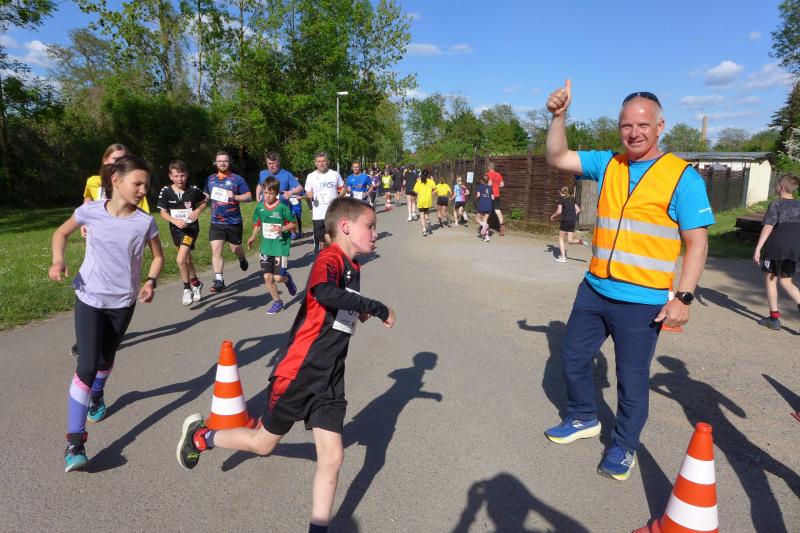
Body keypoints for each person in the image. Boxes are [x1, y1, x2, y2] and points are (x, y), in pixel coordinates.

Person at [177, 197, 395, 533]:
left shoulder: (353, 267)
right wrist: (376, 307)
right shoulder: (329, 257)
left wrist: (357, 310)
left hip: (330, 378)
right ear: (346, 226)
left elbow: (336, 305)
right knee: (263, 444)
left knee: (332, 458)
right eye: (370, 226)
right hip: (300, 372)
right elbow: (324, 291)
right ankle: (202, 437)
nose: (375, 233)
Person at [543, 81, 714, 480]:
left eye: (642, 125)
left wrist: (683, 297)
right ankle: (583, 417)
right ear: (618, 127)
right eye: (626, 125)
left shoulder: (683, 178)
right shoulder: (609, 164)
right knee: (572, 356)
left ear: (660, 127)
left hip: (642, 301)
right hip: (595, 288)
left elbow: (697, 242)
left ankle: (624, 445)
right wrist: (558, 117)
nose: (634, 133)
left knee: (631, 378)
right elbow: (557, 156)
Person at [50, 156, 164, 472]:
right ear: (116, 180)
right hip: (89, 297)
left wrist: (151, 282)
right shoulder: (90, 211)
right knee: (86, 365)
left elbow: (158, 257)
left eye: (146, 186)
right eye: (137, 184)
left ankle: (97, 394)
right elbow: (60, 234)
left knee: (105, 359)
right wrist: (58, 260)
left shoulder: (144, 222)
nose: (142, 191)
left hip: (123, 302)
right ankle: (75, 443)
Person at [753, 174, 800, 331]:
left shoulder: (776, 204)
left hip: (776, 248)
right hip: (793, 249)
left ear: (782, 187)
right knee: (786, 282)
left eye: (777, 184)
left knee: (771, 280)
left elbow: (768, 226)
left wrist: (758, 248)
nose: (776, 186)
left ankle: (774, 319)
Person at [157, 160, 207, 305]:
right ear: (170, 176)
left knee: (180, 260)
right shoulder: (166, 191)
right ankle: (196, 283)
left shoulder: (193, 190)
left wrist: (198, 210)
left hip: (191, 230)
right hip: (176, 230)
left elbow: (205, 201)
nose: (180, 179)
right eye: (176, 176)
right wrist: (174, 221)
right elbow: (162, 212)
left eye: (183, 175)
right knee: (187, 259)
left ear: (187, 175)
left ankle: (187, 289)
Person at [247, 177, 298, 315]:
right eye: (265, 193)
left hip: (280, 247)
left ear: (277, 193)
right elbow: (258, 224)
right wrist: (252, 237)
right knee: (267, 277)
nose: (268, 196)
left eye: (271, 193)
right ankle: (277, 302)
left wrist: (282, 228)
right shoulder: (260, 207)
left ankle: (287, 279)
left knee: (278, 278)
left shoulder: (282, 207)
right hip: (266, 247)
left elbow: (293, 224)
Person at [204, 151, 252, 293]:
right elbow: (206, 195)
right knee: (216, 249)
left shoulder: (237, 179)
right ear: (215, 163)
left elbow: (249, 197)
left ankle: (242, 259)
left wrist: (235, 196)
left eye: (225, 161)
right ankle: (219, 280)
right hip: (216, 222)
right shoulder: (210, 179)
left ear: (229, 162)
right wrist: (200, 199)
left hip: (233, 222)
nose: (223, 163)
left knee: (235, 249)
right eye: (220, 161)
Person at [305, 151, 344, 253]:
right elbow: (307, 194)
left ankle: (332, 256)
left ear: (328, 162)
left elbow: (343, 189)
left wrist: (337, 198)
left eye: (323, 161)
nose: (321, 164)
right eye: (319, 161)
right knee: (321, 240)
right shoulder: (310, 176)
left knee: (330, 237)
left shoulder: (334, 174)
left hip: (332, 212)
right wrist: (309, 196)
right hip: (318, 213)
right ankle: (324, 257)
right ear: (315, 163)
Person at [550, 185, 590, 263]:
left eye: (559, 192)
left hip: (566, 220)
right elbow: (578, 209)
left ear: (561, 192)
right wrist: (572, 216)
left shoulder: (561, 199)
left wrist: (553, 216)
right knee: (570, 240)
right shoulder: (572, 199)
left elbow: (559, 211)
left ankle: (563, 258)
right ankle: (581, 242)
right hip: (572, 220)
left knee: (560, 238)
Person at [413, 169, 437, 236]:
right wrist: (432, 193)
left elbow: (415, 191)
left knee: (421, 215)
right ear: (428, 175)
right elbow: (435, 188)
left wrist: (415, 198)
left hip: (421, 200)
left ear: (421, 174)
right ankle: (428, 221)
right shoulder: (431, 182)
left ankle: (424, 229)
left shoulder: (418, 182)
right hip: (428, 200)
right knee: (426, 212)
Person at [486, 161, 505, 236]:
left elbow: (489, 183)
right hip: (497, 195)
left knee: (486, 210)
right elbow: (502, 184)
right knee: (497, 210)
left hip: (489, 195)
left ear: (488, 167)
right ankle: (502, 226)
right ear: (494, 168)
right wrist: (496, 187)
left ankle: (484, 227)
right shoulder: (499, 174)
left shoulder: (487, 174)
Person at [475, 175, 493, 242]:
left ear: (482, 180)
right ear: (488, 181)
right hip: (489, 205)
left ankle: (484, 225)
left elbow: (478, 195)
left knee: (477, 219)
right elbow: (493, 198)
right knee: (485, 219)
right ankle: (486, 237)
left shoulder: (480, 187)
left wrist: (476, 199)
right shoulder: (490, 188)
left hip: (482, 205)